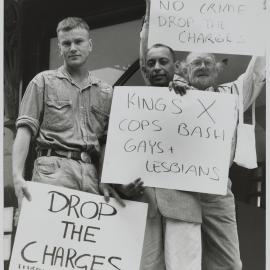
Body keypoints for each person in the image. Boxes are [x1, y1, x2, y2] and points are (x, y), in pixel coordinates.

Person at [140, 1, 266, 269]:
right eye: (195, 62)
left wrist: (264, 23)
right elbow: (147, 64)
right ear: (183, 68)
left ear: (217, 69)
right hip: (179, 191)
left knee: (230, 263)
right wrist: (151, 17)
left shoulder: (231, 95)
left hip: (217, 191)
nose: (202, 67)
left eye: (208, 63)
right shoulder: (171, 95)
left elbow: (257, 71)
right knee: (181, 262)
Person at [12, 17, 143, 221]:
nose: (73, 48)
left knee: (86, 245)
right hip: (52, 172)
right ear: (59, 49)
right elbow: (24, 130)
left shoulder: (105, 92)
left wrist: (104, 178)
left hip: (90, 175)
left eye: (78, 41)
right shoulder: (43, 82)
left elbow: (106, 142)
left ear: (89, 45)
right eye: (66, 43)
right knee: (48, 239)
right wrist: (17, 177)